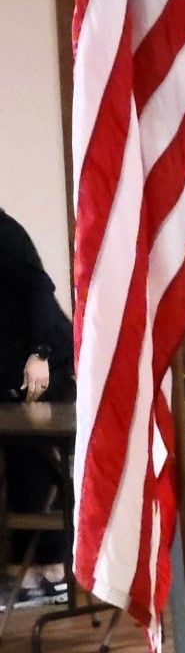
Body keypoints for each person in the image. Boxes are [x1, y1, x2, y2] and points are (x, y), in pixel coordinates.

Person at [0, 207, 75, 605]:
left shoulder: (5, 233)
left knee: (30, 455)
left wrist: (41, 352)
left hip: (43, 362)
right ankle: (26, 572)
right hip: (12, 375)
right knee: (15, 454)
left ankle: (53, 569)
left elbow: (39, 291)